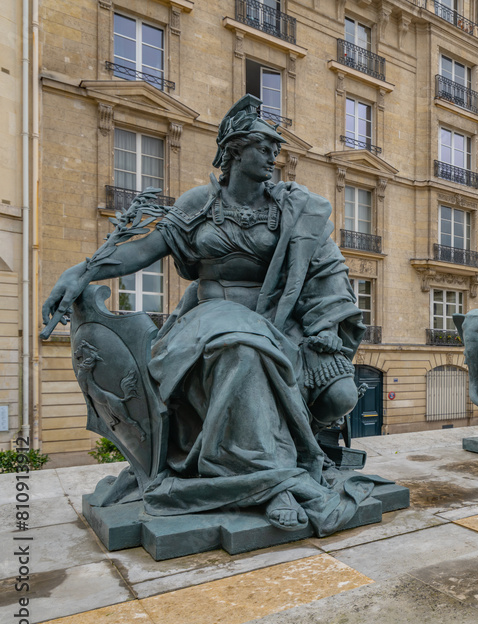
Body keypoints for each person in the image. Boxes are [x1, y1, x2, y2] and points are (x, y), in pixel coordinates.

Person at [42, 95, 373, 536]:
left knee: (340, 395)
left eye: (276, 148)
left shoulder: (295, 209)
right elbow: (144, 249)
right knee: (241, 351)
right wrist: (82, 271)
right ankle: (273, 485)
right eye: (264, 147)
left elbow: (329, 269)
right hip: (211, 316)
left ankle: (294, 462)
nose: (274, 156)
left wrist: (326, 326)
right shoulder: (201, 202)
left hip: (280, 320)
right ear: (235, 150)